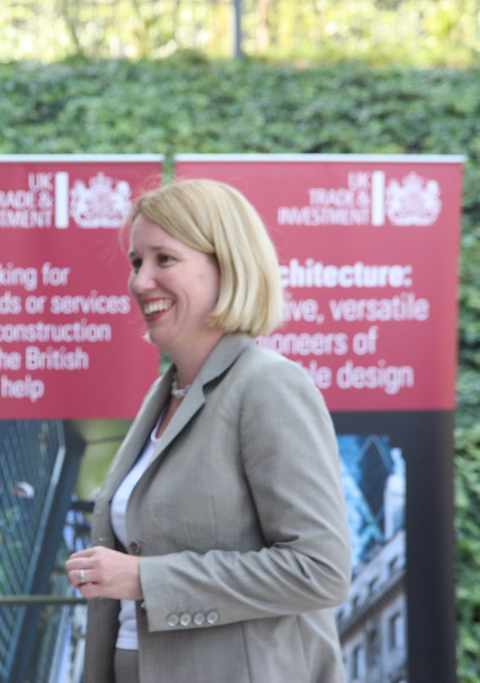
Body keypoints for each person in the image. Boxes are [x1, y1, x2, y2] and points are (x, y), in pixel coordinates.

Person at [65, 178, 351, 682]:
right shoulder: (164, 396)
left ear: (227, 265)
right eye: (136, 262)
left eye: (164, 259)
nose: (139, 281)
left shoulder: (268, 386)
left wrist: (146, 579)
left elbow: (319, 570)